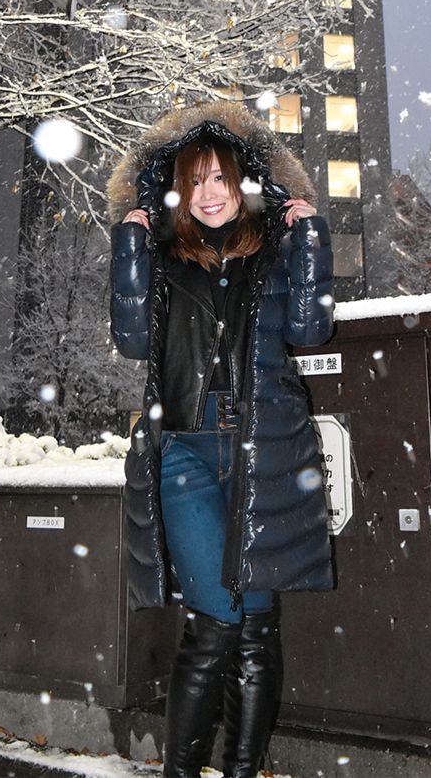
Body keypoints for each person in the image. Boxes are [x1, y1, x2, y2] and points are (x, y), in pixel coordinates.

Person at [108, 101, 334, 778]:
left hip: (266, 451)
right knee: (213, 624)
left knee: (257, 628)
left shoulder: (277, 252)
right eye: (194, 181)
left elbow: (311, 329)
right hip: (185, 451)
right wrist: (129, 246)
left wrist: (310, 237)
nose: (208, 193)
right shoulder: (160, 257)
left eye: (220, 178)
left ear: (245, 185)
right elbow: (132, 340)